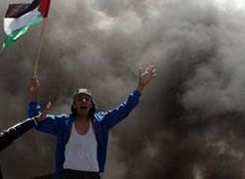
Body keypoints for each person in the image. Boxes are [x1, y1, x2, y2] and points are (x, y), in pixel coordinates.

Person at [28, 65, 157, 179]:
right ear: (74, 105)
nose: (83, 101)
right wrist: (34, 96)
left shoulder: (101, 122)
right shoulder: (63, 123)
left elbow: (124, 109)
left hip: (92, 175)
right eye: (79, 99)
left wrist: (140, 87)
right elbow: (36, 121)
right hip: (69, 175)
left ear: (91, 104)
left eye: (86, 99)